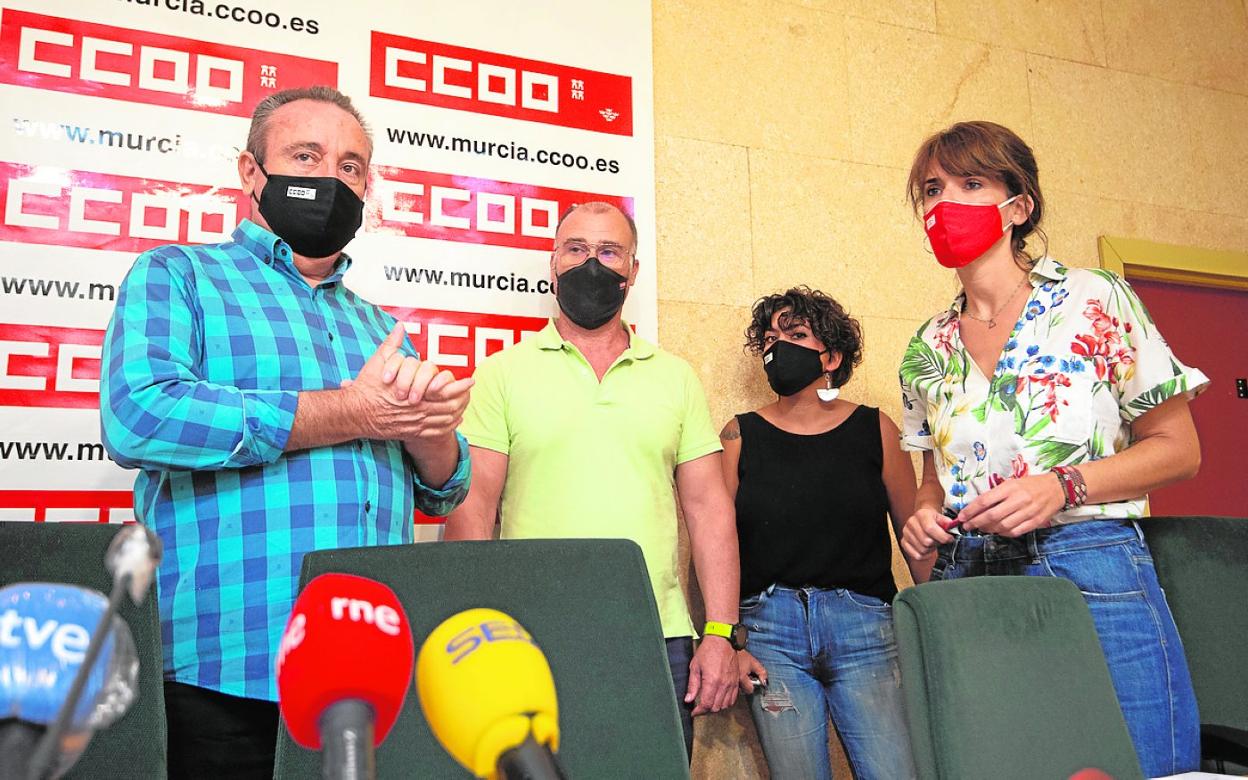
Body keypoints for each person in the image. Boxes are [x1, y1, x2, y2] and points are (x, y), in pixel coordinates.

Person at [100, 86, 473, 778]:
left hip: (364, 675)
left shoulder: (378, 325)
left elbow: (446, 490)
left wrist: (429, 433)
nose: (333, 178)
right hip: (223, 674)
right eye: (307, 155)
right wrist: (347, 412)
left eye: (353, 166)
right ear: (251, 173)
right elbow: (140, 415)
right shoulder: (179, 276)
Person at [897, 120, 1207, 777]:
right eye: (931, 188)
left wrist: (1062, 486)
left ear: (1020, 206)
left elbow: (1179, 449)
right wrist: (924, 516)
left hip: (1092, 564)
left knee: (1141, 763)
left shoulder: (1095, 300)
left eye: (970, 182)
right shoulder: (927, 347)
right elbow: (933, 478)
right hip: (971, 574)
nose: (944, 202)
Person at [443, 201, 741, 760]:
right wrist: (471, 632)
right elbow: (473, 507)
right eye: (576, 249)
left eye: (609, 252)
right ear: (552, 264)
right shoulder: (503, 373)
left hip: (656, 636)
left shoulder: (675, 378)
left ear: (632, 270)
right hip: (530, 634)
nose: (592, 264)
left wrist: (721, 635)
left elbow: (709, 511)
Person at [720, 287, 923, 780]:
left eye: (795, 335)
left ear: (831, 356)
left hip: (868, 629)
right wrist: (728, 639)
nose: (776, 348)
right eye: (769, 338)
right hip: (770, 632)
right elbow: (716, 542)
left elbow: (917, 538)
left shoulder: (876, 428)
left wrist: (944, 623)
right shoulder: (738, 435)